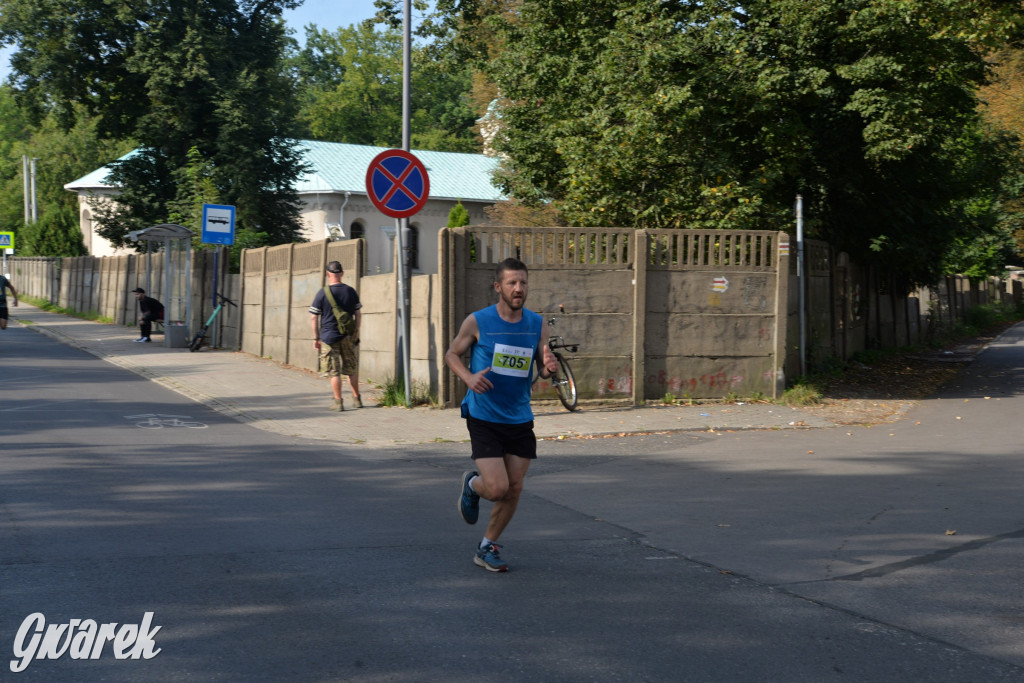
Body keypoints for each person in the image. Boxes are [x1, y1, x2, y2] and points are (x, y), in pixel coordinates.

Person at [444, 257, 559, 572]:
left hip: (519, 416)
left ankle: (487, 546)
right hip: (484, 415)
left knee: (515, 487)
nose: (518, 288)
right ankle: (473, 485)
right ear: (498, 287)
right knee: (497, 488)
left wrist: (549, 369)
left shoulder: (537, 324)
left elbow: (543, 367)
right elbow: (451, 354)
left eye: (523, 282)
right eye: (512, 282)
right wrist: (468, 378)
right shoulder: (478, 321)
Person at [309, 260, 363, 411]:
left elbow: (314, 317)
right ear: (342, 274)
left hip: (328, 337)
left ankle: (338, 402)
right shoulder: (350, 291)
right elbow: (358, 314)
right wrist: (355, 332)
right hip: (347, 336)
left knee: (334, 371)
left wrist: (316, 338)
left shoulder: (322, 293)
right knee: (351, 369)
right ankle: (357, 399)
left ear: (328, 274)